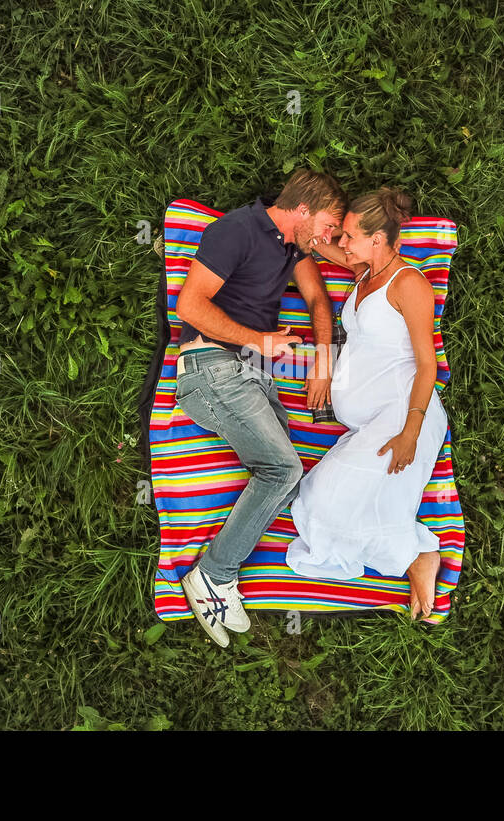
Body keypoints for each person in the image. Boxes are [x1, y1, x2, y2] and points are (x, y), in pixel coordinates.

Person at [174, 169, 348, 648]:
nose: (330, 239)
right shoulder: (236, 230)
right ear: (304, 209)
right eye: (329, 226)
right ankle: (212, 575)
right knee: (282, 469)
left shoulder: (293, 247)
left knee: (288, 482)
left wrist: (324, 364)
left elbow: (317, 300)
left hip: (252, 375)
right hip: (210, 369)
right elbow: (190, 306)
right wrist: (258, 340)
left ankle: (218, 573)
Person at [285, 186, 447, 620]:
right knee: (321, 498)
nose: (343, 243)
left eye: (351, 235)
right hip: (369, 421)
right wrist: (290, 223)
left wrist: (410, 431)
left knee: (320, 504)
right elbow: (317, 242)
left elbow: (428, 365)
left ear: (378, 239)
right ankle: (413, 554)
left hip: (403, 414)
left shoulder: (408, 284)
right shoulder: (363, 272)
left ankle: (416, 556)